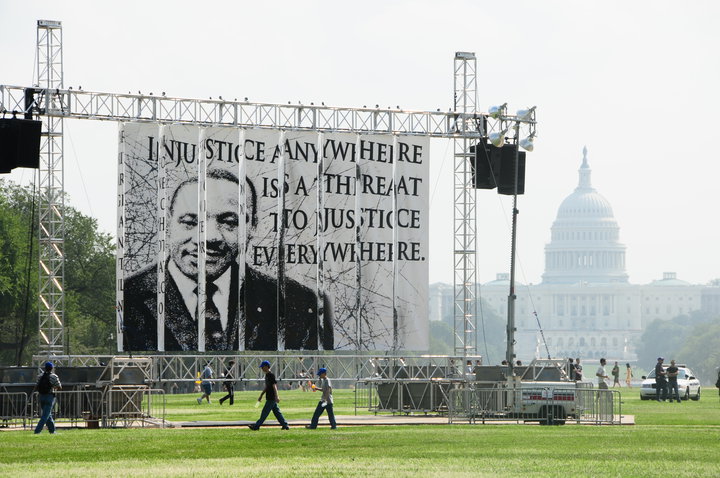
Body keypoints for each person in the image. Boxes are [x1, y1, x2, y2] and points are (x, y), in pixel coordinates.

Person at [124, 170, 334, 351]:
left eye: (229, 222)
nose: (209, 237)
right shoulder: (128, 298)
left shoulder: (295, 302)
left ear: (252, 228)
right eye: (190, 222)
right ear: (166, 225)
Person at [248, 360, 289, 430]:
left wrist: (277, 396)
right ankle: (285, 425)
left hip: (271, 397)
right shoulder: (267, 375)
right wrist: (261, 395)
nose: (262, 368)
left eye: (263, 367)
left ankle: (257, 426)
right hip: (269, 397)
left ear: (267, 367)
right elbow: (267, 386)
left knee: (264, 412)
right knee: (277, 412)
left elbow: (274, 386)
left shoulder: (271, 375)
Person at [34, 361, 62, 434]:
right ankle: (37, 431)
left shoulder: (40, 376)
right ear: (52, 368)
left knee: (48, 414)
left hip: (41, 396)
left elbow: (36, 386)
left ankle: (52, 431)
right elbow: (59, 387)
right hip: (49, 396)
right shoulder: (54, 376)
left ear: (45, 368)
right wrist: (53, 388)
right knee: (45, 416)